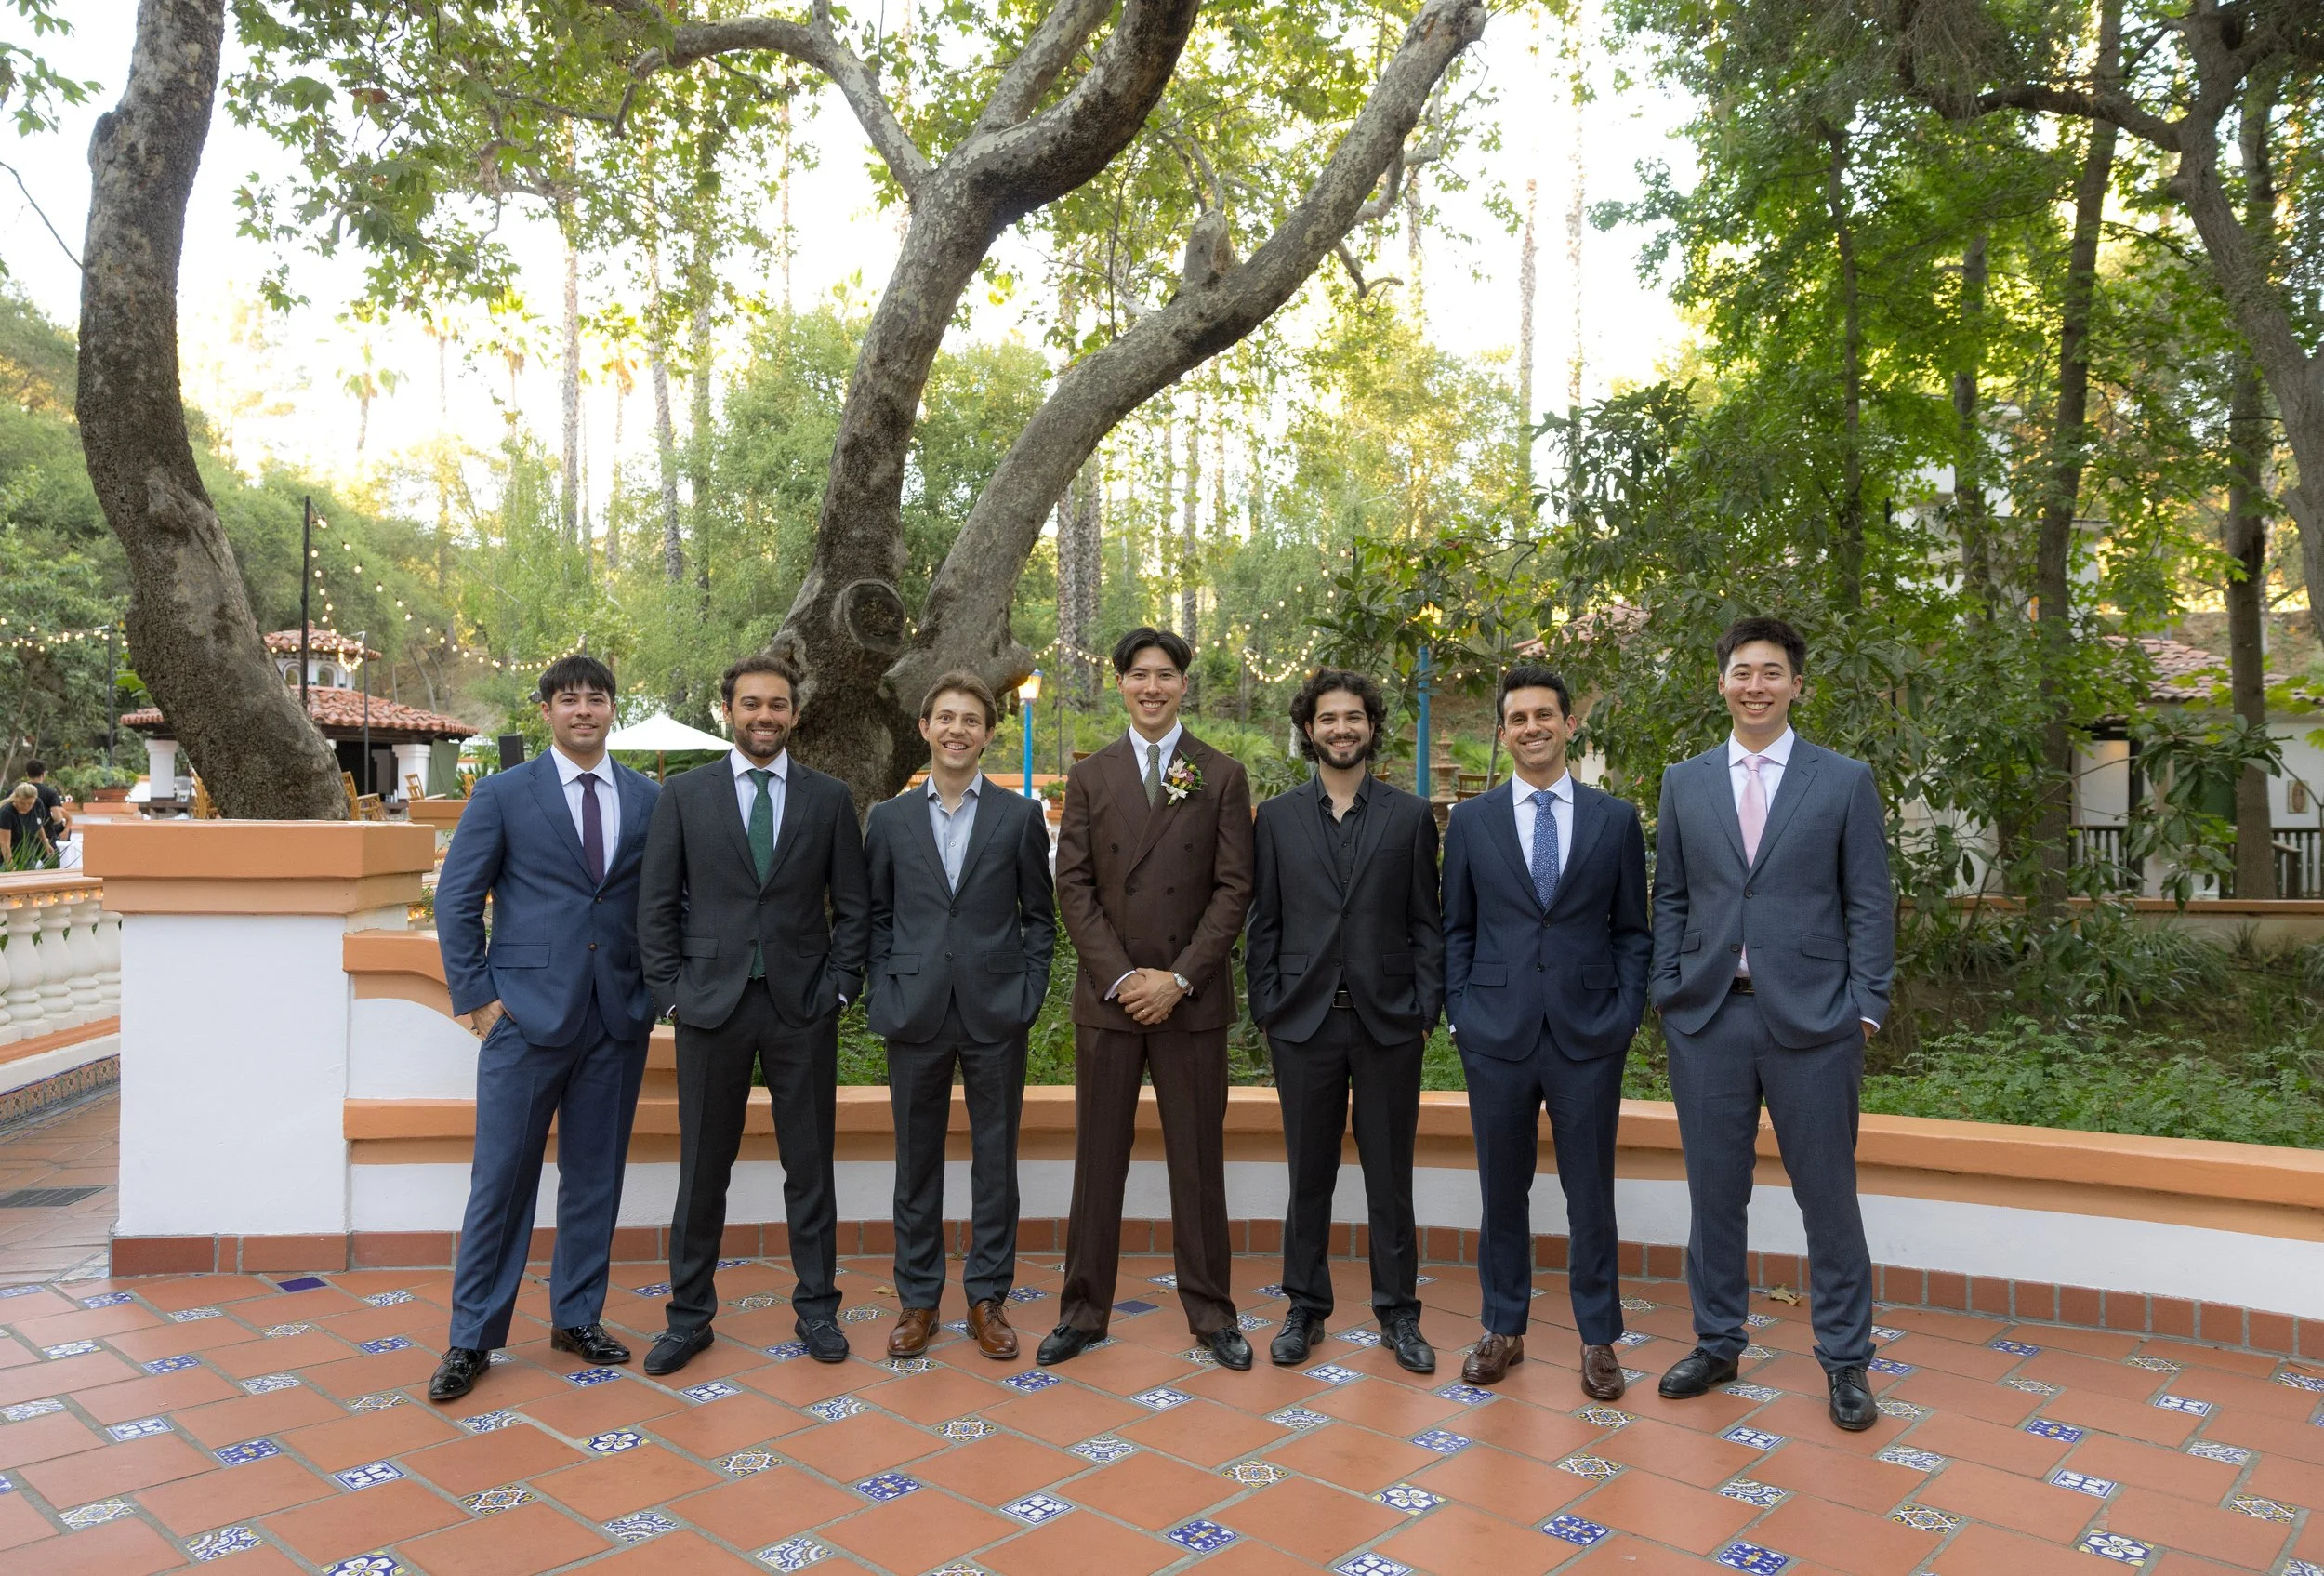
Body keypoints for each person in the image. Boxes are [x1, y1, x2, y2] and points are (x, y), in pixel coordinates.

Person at [1650, 616, 1895, 1432]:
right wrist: (1668, 989)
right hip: (1708, 1015)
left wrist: (1865, 1005)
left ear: (1797, 684)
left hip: (1817, 1022)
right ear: (1721, 682)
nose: (1756, 685)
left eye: (1772, 672)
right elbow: (1672, 894)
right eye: (1742, 672)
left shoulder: (1843, 779)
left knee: (1828, 1197)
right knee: (1715, 1193)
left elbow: (1869, 898)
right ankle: (1717, 1341)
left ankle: (1846, 1358)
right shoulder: (1684, 781)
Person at [429, 655, 661, 1403]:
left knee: (596, 1176)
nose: (583, 710)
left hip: (615, 1017)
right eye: (569, 699)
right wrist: (479, 999)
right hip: (524, 1019)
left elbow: (663, 902)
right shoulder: (503, 793)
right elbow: (456, 899)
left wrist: (654, 991)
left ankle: (577, 1315)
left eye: (596, 698)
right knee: (500, 1180)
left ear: (613, 708)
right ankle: (472, 1336)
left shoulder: (647, 797)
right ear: (547, 711)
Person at [638, 654, 869, 1373]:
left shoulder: (829, 798)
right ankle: (688, 1317)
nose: (763, 715)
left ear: (794, 713)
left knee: (811, 1166)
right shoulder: (684, 795)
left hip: (802, 1006)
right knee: (703, 1168)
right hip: (711, 1007)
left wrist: (840, 987)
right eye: (750, 703)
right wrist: (670, 993)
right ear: (728, 710)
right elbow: (655, 905)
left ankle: (818, 1309)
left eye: (776, 704)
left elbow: (854, 907)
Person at [1042, 627, 1255, 1370]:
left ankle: (1213, 1314)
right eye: (1139, 674)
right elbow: (1072, 885)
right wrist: (1124, 977)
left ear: (1183, 685)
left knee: (1197, 1162)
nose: (1153, 686)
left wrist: (1178, 977)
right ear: (1121, 685)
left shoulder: (1221, 774)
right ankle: (1082, 1310)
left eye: (1165, 674)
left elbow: (1234, 888)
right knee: (1099, 1161)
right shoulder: (1090, 775)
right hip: (1110, 1000)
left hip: (1190, 1002)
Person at [1442, 665, 1650, 1396]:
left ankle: (1599, 1338)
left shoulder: (1614, 819)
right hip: (1495, 1033)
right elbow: (1456, 927)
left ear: (1569, 723)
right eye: (1518, 718)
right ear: (1502, 732)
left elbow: (1632, 930)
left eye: (1544, 714)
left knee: (1590, 1192)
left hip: (1588, 1035)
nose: (1532, 727)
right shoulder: (1471, 822)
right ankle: (1503, 1326)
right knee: (1503, 1188)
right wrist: (1461, 1012)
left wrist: (1624, 1014)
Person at [1247, 669, 1443, 1373]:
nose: (1341, 729)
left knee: (1391, 1178)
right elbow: (1264, 922)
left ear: (1371, 726)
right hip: (1303, 1026)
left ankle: (1398, 1312)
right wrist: (1268, 1007)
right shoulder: (1276, 818)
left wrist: (1424, 1010)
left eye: (1353, 717)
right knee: (1310, 1175)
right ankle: (1305, 1306)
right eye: (1328, 718)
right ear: (1309, 729)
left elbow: (1427, 922)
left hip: (1389, 1024)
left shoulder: (1410, 816)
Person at [865, 672, 1055, 1360]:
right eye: (945, 717)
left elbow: (1040, 918)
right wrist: (884, 990)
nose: (957, 729)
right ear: (925, 727)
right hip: (913, 1010)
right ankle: (918, 1300)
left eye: (971, 719)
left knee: (994, 1162)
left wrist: (1027, 994)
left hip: (995, 1010)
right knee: (915, 1162)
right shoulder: (889, 819)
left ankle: (986, 1298)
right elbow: (875, 917)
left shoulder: (1019, 816)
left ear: (987, 733)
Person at [0, 783, 57, 870]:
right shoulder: (6, 813)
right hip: (7, 856)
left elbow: (38, 824)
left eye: (30, 803)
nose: (26, 807)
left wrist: (45, 842)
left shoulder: (38, 804)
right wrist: (10, 866)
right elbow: (5, 844)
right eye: (22, 803)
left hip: (27, 853)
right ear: (15, 798)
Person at [24, 762, 66, 850]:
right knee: (51, 858)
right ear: (43, 774)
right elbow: (58, 817)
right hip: (47, 837)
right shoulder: (51, 793)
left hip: (22, 838)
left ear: (27, 774)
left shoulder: (15, 791)